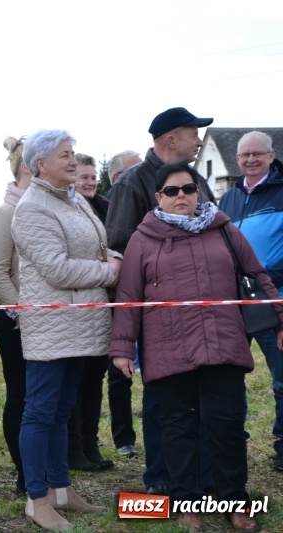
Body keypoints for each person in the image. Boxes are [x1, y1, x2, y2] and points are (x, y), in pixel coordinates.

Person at [112, 162, 277, 533]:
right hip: (169, 349)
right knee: (177, 428)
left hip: (223, 344)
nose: (181, 196)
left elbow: (257, 276)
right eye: (172, 191)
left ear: (197, 192)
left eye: (188, 189)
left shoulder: (224, 228)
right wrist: (122, 348)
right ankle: (188, 503)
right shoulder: (143, 238)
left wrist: (280, 320)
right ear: (159, 197)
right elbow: (128, 297)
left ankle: (235, 501)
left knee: (227, 427)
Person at [12, 130, 120, 531]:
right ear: (40, 164)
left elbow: (94, 247)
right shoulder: (33, 208)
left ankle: (60, 489)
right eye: (64, 155)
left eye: (73, 153)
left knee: (61, 410)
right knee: (40, 412)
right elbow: (57, 269)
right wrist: (108, 272)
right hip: (52, 326)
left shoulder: (74, 199)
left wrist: (112, 257)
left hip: (81, 322)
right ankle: (36, 499)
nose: (73, 161)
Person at [105, 107, 215, 495]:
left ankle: (201, 474)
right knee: (161, 397)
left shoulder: (196, 179)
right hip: (157, 315)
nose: (199, 142)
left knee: (200, 395)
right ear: (171, 139)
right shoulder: (132, 183)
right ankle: (161, 477)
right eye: (193, 134)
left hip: (202, 311)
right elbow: (120, 249)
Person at [219, 131, 283, 471]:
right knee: (229, 378)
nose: (251, 159)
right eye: (245, 155)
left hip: (275, 299)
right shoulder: (228, 198)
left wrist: (266, 278)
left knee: (282, 380)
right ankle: (233, 443)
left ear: (272, 156)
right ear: (237, 159)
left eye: (258, 153)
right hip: (236, 302)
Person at [0, 136, 30, 495]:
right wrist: (21, 312)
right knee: (22, 395)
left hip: (50, 321)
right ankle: (25, 473)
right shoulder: (6, 214)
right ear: (28, 167)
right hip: (17, 321)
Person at [64, 153, 113, 472]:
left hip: (103, 304)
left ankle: (91, 444)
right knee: (76, 382)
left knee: (95, 379)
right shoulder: (66, 210)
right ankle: (74, 448)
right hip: (75, 307)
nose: (90, 182)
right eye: (83, 177)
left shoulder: (106, 209)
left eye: (93, 177)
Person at [104, 151, 142, 457]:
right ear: (118, 178)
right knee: (119, 372)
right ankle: (123, 437)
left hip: (151, 297)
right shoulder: (107, 208)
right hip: (117, 301)